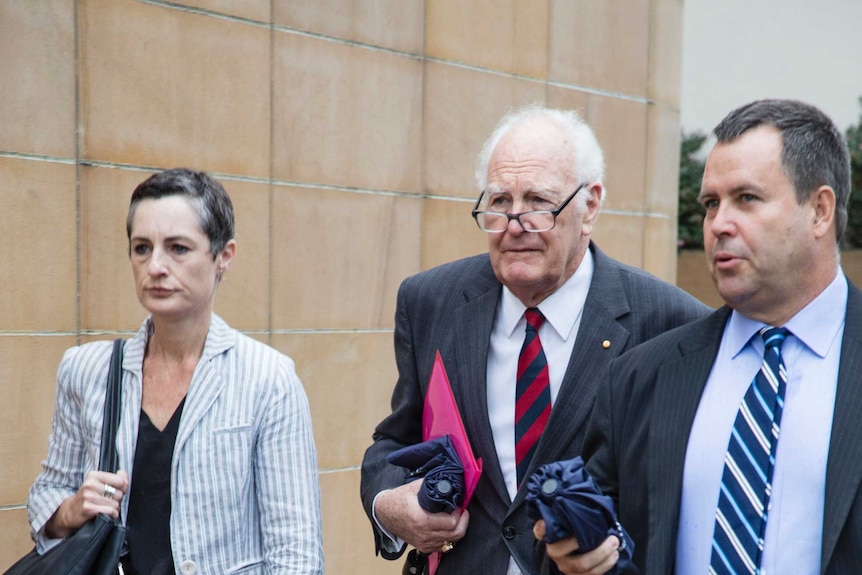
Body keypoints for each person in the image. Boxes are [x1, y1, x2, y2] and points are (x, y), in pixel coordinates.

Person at [360, 104, 709, 575]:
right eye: (500, 202)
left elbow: (685, 498)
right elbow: (395, 439)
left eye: (539, 202)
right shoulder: (431, 302)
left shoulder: (671, 323)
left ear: (589, 206)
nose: (515, 223)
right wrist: (389, 505)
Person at [541, 98, 862, 575]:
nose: (718, 225)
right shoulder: (641, 378)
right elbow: (595, 551)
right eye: (712, 204)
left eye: (746, 199)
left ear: (819, 210)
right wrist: (575, 560)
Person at [27, 168, 324, 574]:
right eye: (142, 248)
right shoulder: (87, 370)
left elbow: (297, 552)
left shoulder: (267, 379)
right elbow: (48, 492)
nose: (156, 266)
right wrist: (73, 508)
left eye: (178, 248)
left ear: (223, 257)